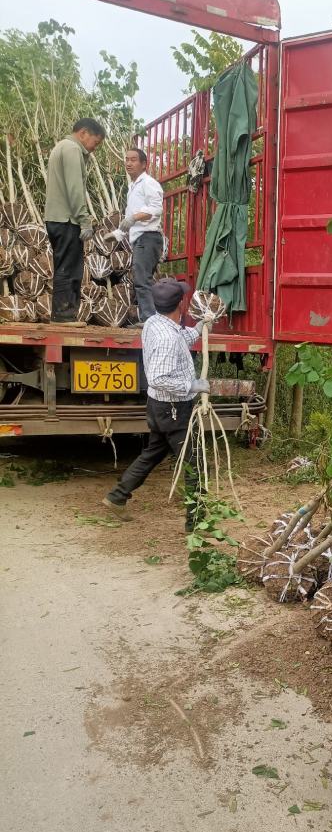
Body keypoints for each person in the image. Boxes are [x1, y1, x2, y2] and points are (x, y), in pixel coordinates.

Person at [103, 278, 214, 528]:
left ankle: (117, 496)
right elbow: (159, 377)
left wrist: (198, 328)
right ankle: (195, 524)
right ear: (181, 304)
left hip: (159, 407)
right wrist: (192, 385)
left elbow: (178, 340)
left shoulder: (156, 322)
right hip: (174, 409)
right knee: (194, 463)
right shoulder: (166, 337)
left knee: (153, 453)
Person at [43, 118, 106, 326]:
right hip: (67, 219)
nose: (94, 149)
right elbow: (75, 189)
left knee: (64, 265)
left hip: (56, 217)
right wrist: (84, 220)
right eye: (95, 143)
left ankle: (62, 315)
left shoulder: (60, 147)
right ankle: (63, 316)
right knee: (69, 268)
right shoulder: (72, 149)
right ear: (84, 133)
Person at [118, 147, 165, 324]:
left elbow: (156, 208)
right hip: (141, 237)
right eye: (127, 159)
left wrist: (134, 217)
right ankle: (153, 319)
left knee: (141, 279)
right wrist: (119, 233)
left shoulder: (148, 183)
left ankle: (150, 320)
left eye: (133, 160)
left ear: (144, 164)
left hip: (148, 237)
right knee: (143, 279)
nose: (128, 163)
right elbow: (131, 218)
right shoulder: (133, 186)